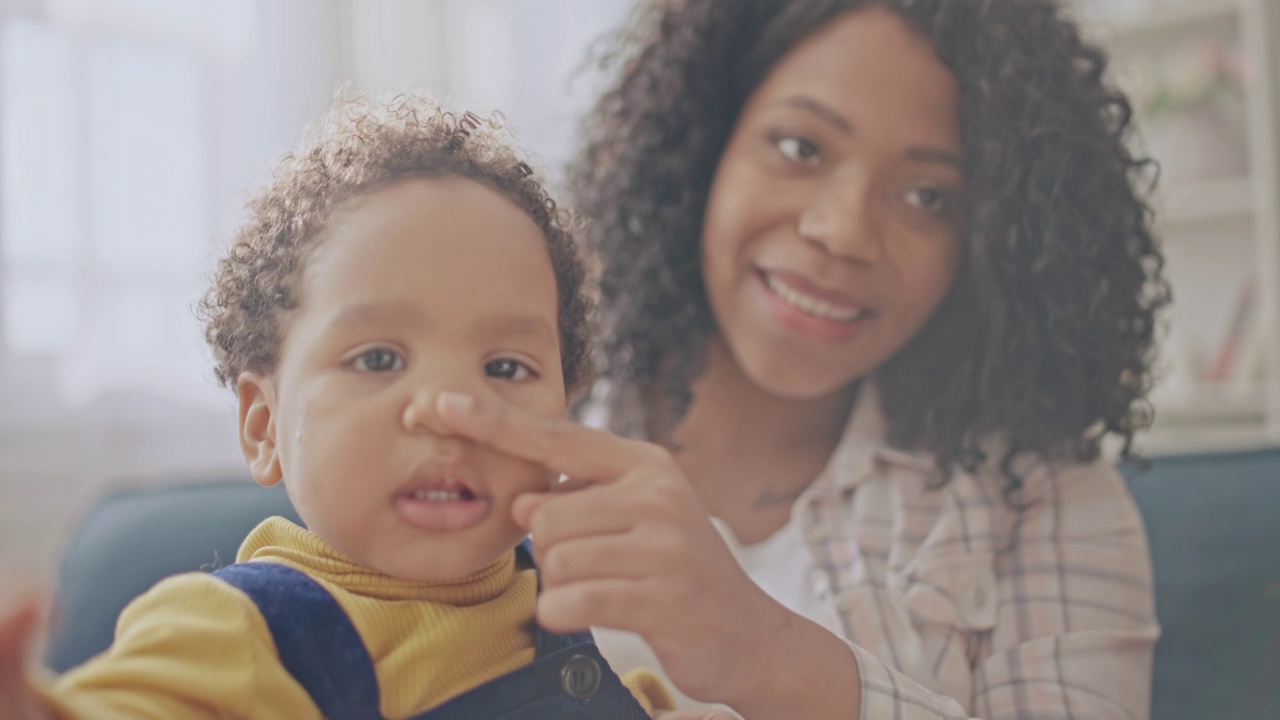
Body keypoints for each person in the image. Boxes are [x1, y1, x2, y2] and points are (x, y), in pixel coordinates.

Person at [427, 1, 1169, 718]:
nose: (843, 230)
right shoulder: (507, 416)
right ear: (707, 142)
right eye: (801, 147)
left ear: (991, 240)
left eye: (927, 195)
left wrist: (760, 653)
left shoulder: (1043, 501)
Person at [0, 93, 687, 720]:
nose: (448, 409)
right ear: (264, 425)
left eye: (506, 367)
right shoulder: (239, 633)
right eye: (379, 360)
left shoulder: (572, 601)